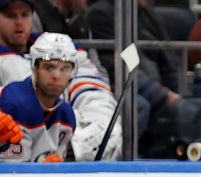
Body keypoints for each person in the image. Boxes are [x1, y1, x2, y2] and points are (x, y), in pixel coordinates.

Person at [87, 0, 201, 159]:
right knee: (161, 107)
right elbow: (119, 67)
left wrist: (179, 91)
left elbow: (168, 61)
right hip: (129, 89)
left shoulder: (148, 13)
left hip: (161, 90)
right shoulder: (102, 13)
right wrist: (165, 95)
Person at [0, 0, 120, 160]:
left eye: (25, 14)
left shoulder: (64, 50)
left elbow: (98, 101)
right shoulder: (14, 97)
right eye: (11, 16)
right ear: (34, 68)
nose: (19, 22)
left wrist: (79, 143)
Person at [0, 31, 75, 162]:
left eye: (64, 68)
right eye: (49, 67)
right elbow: (12, 172)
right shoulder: (13, 102)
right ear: (34, 68)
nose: (56, 76)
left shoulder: (67, 116)